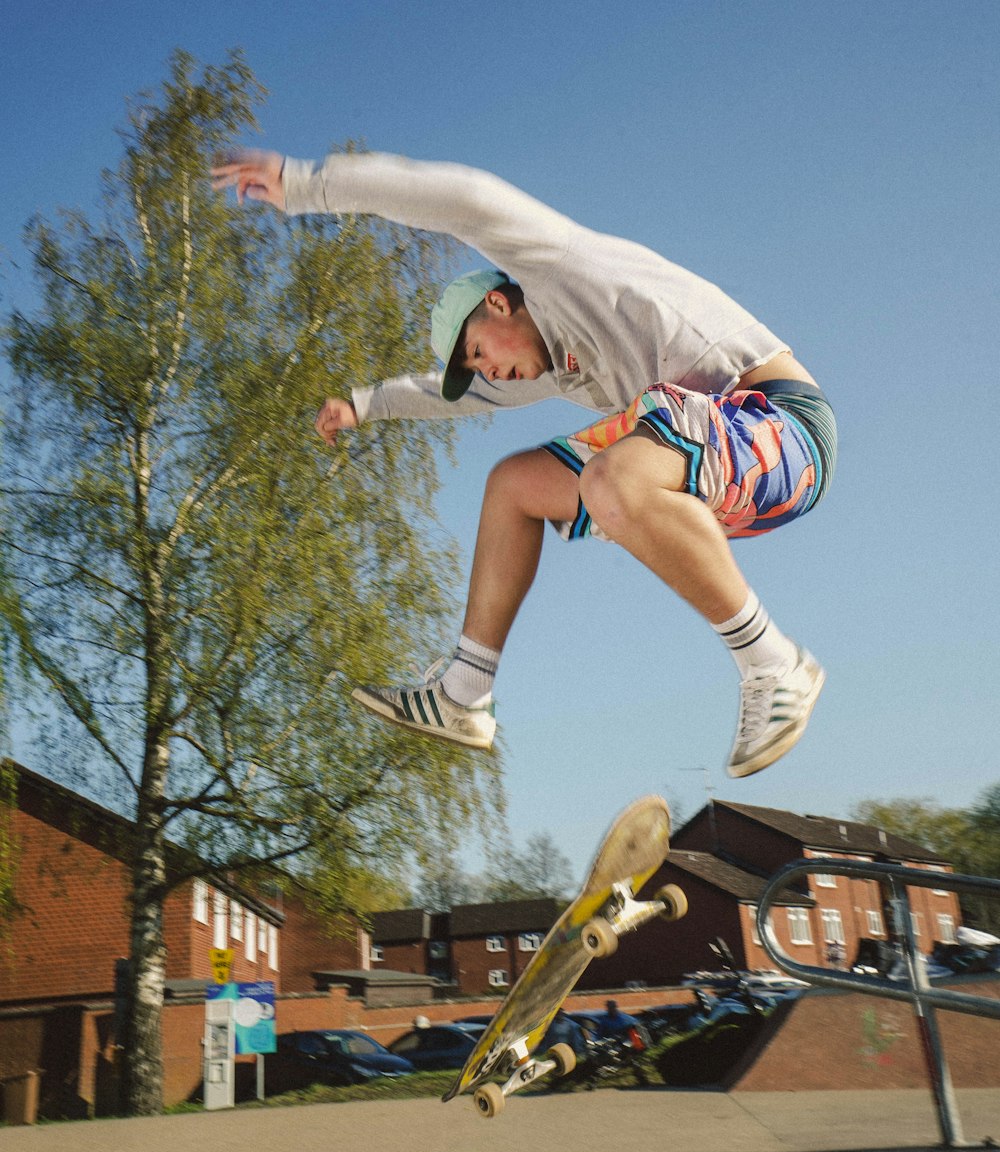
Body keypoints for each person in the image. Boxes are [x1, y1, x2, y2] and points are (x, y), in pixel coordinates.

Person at [212, 148, 836, 777]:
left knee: (609, 476)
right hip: (706, 455)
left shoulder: (561, 271)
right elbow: (447, 397)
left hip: (783, 431)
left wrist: (304, 186)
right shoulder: (556, 368)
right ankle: (463, 694)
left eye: (480, 351)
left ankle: (773, 665)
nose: (490, 374)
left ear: (502, 305)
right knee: (513, 485)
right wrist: (364, 404)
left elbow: (466, 201)